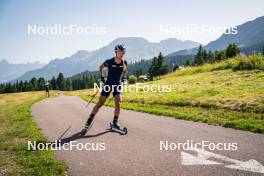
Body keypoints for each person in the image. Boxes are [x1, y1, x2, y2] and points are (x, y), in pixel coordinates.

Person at [83, 44, 127, 132]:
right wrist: (102, 78)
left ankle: (115, 122)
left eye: (123, 52)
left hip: (117, 86)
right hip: (108, 84)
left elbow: (124, 71)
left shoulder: (124, 62)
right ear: (116, 52)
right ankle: (88, 121)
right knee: (100, 103)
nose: (122, 53)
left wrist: (123, 79)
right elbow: (101, 67)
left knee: (118, 103)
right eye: (120, 51)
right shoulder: (109, 61)